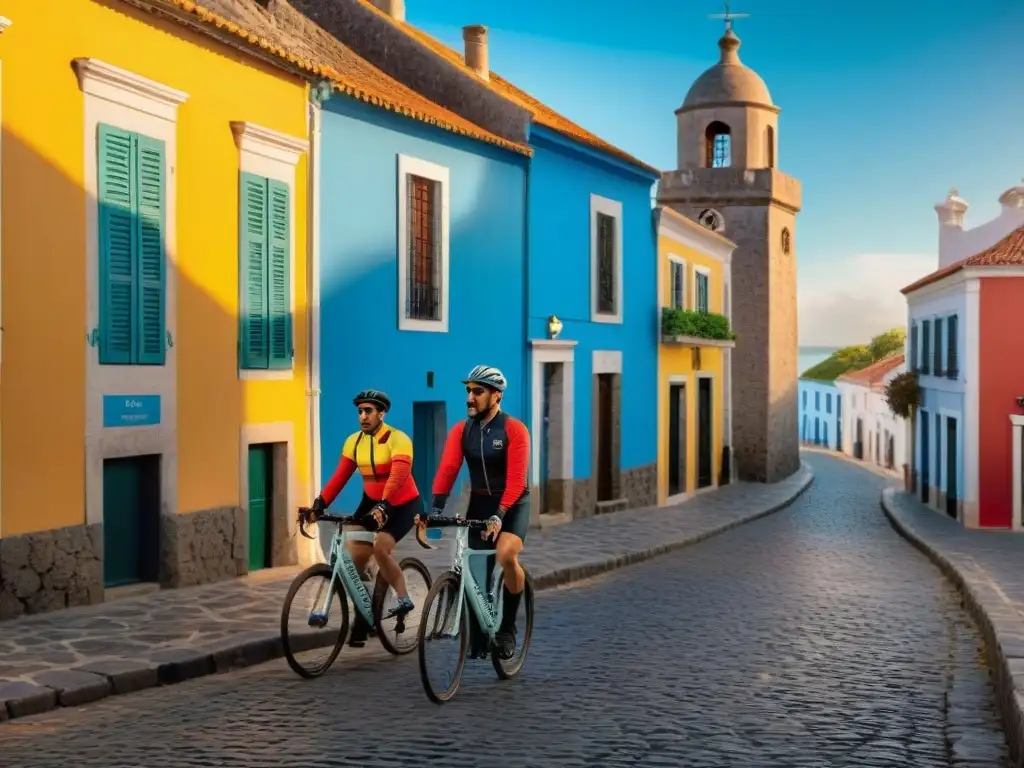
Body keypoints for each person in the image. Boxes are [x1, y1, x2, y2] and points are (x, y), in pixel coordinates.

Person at [427, 365, 530, 661]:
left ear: (496, 396)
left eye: (478, 391)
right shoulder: (461, 430)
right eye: (468, 391)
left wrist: (499, 514)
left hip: (513, 504)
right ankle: (481, 629)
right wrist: (435, 507)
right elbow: (448, 469)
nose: (470, 397)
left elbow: (516, 480)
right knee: (473, 568)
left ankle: (508, 629)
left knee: (505, 555)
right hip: (481, 502)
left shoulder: (514, 429)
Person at [307, 389, 422, 647]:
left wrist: (383, 507)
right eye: (360, 411)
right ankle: (365, 613)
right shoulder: (354, 442)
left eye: (368, 411)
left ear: (382, 413)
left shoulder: (398, 439)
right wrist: (319, 503)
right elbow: (339, 477)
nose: (363, 416)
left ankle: (403, 598)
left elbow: (398, 477)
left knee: (381, 547)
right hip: (371, 501)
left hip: (400, 502)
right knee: (352, 557)